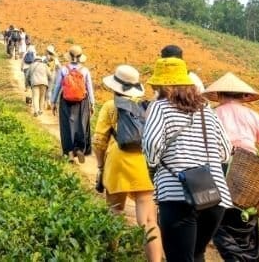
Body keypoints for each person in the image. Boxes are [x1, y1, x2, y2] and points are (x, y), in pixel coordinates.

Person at [142, 56, 232, 262]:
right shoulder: (206, 109)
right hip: (214, 195)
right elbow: (226, 152)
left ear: (163, 86)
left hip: (177, 194)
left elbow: (152, 147)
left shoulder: (160, 107)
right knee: (196, 254)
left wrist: (156, 162)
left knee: (179, 258)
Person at [93, 65, 163, 262]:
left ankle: (113, 255)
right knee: (149, 220)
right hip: (142, 163)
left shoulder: (110, 106)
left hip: (117, 163)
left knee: (114, 212)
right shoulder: (146, 107)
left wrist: (100, 166)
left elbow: (99, 142)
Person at [203, 72, 259, 261]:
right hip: (250, 166)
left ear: (220, 95)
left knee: (223, 211)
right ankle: (248, 255)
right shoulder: (253, 115)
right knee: (246, 213)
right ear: (243, 96)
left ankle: (231, 254)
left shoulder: (213, 113)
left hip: (223, 165)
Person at [51, 45, 95, 163]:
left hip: (66, 101)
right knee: (81, 124)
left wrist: (53, 102)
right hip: (82, 101)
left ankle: (70, 152)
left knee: (66, 126)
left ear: (69, 56)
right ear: (81, 57)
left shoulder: (64, 69)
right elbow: (89, 87)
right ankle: (80, 148)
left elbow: (57, 86)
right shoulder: (85, 71)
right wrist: (92, 103)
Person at [43, 45, 61, 109]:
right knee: (50, 90)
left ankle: (44, 103)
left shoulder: (44, 59)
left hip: (45, 75)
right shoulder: (55, 59)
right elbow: (59, 68)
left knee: (44, 89)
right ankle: (49, 102)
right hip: (52, 75)